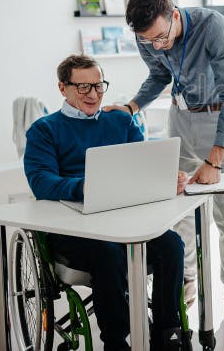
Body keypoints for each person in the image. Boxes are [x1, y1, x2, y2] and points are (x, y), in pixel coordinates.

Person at [106, 0, 224, 339]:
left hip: (219, 120)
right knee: (178, 206)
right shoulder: (147, 35)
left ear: (173, 14)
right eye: (148, 40)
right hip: (181, 119)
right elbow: (159, 76)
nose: (157, 45)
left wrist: (216, 158)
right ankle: (184, 282)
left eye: (161, 36)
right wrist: (132, 106)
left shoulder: (212, 27)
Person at [24, 55, 189, 351]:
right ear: (63, 88)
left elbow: (143, 165)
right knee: (107, 253)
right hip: (72, 227)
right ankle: (116, 342)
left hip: (123, 219)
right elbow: (41, 182)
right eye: (83, 87)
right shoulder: (44, 129)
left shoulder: (120, 121)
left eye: (99, 86)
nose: (94, 94)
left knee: (171, 245)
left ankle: (167, 332)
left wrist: (166, 178)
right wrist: (83, 187)